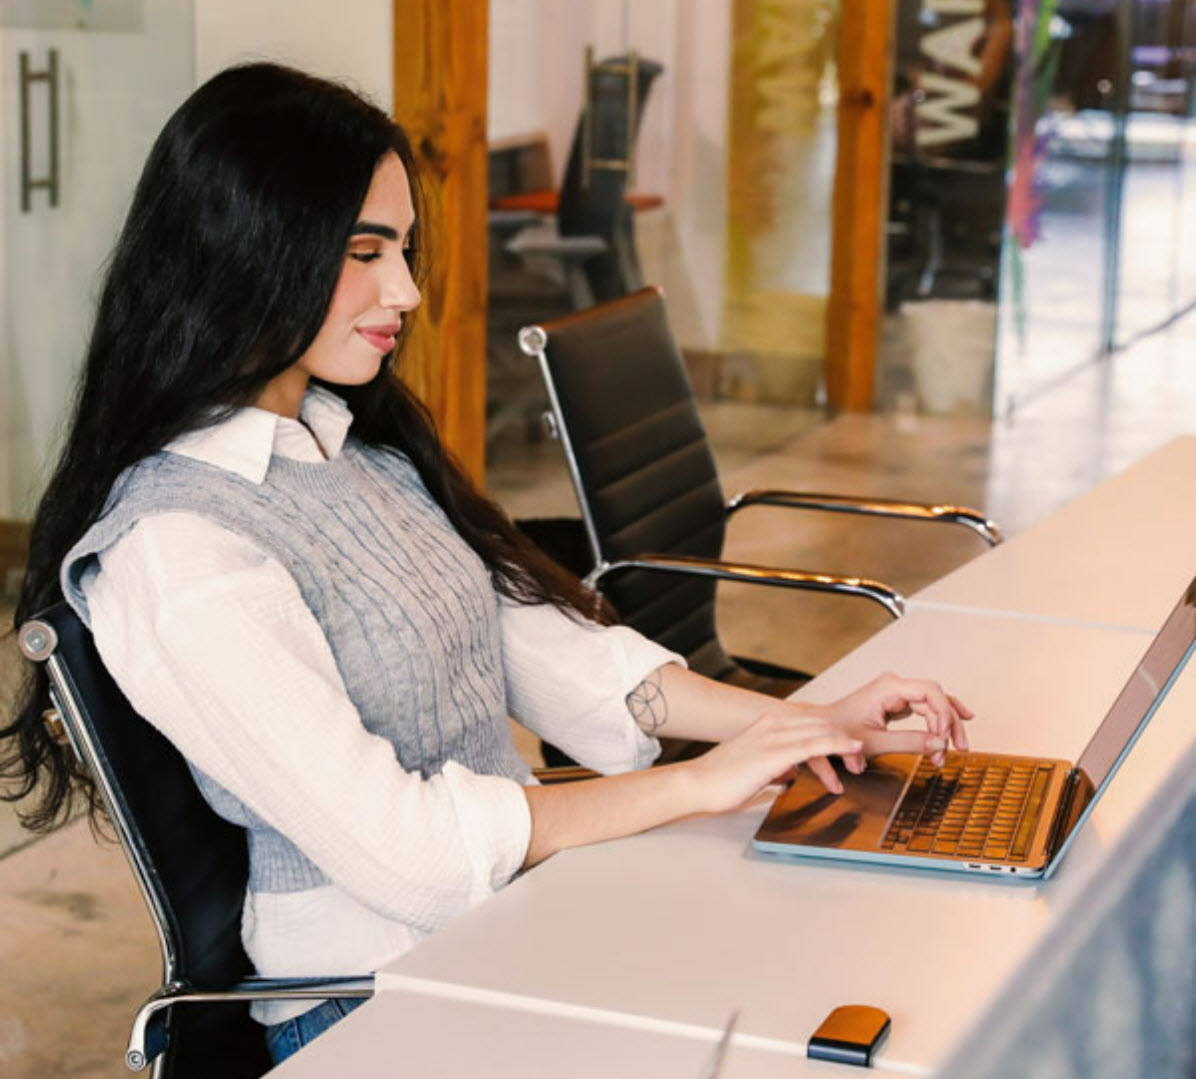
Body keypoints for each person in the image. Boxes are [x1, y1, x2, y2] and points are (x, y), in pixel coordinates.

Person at [1, 63, 971, 1064]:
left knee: (839, 968)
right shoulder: (179, 549)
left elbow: (546, 652)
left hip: (505, 930)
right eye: (364, 251)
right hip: (373, 1003)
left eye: (404, 249)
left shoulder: (351, 448)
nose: (406, 291)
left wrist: (799, 723)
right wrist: (702, 785)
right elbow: (412, 856)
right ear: (247, 252)